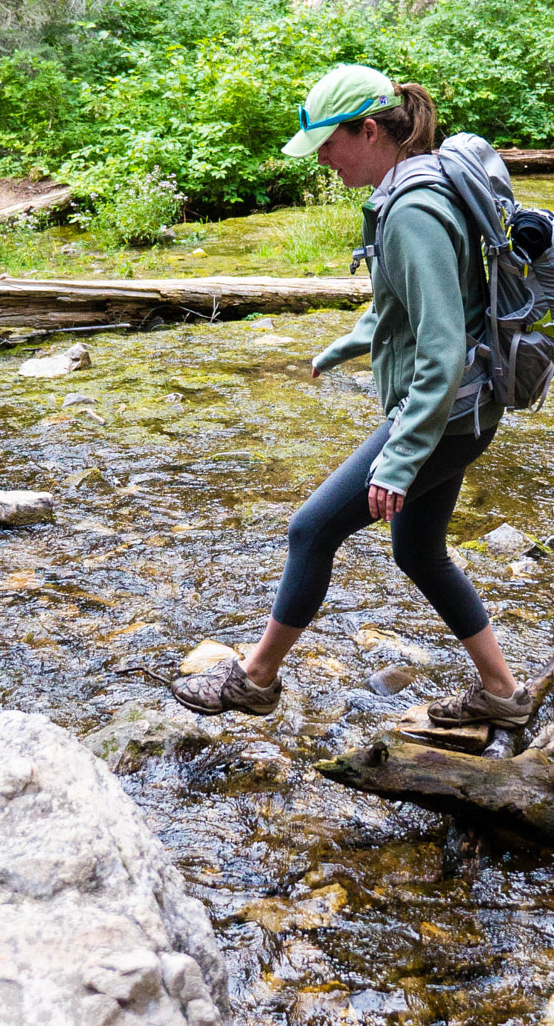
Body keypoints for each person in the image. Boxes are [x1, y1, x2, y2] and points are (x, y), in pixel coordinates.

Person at [171, 63, 532, 727]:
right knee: (417, 551)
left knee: (311, 529)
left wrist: (399, 459)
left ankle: (255, 679)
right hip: (467, 411)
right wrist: (348, 344)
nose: (324, 163)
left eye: (328, 146)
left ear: (368, 131)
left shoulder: (414, 210)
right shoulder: (417, 188)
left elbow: (442, 345)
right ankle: (503, 694)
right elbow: (411, 305)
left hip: (445, 416)